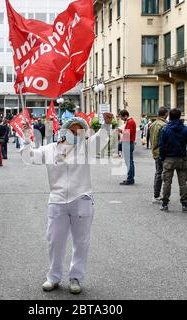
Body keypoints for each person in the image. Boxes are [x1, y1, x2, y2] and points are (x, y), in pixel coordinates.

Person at [21, 113, 114, 295]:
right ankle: (53, 277)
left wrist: (107, 125)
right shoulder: (50, 150)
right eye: (73, 130)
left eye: (80, 131)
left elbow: (101, 139)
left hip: (82, 199)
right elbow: (29, 157)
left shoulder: (85, 148)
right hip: (57, 201)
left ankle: (76, 278)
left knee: (81, 242)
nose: (77, 134)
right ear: (64, 131)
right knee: (54, 241)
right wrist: (26, 136)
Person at [159, 108, 187, 213]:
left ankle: (165, 204)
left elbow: (161, 146)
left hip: (169, 158)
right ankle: (184, 204)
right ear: (180, 117)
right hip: (182, 158)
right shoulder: (185, 129)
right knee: (183, 183)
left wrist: (162, 157)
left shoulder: (165, 129)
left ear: (169, 117)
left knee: (167, 182)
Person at [148, 107, 168, 203]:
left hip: (155, 152)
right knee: (165, 174)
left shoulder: (152, 124)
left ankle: (156, 194)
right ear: (165, 114)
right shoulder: (164, 125)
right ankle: (162, 195)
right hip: (163, 153)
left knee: (158, 173)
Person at [118, 110, 137, 185]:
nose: (121, 119)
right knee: (129, 161)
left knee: (129, 162)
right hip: (128, 143)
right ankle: (130, 178)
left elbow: (128, 134)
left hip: (128, 143)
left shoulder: (130, 122)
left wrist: (120, 131)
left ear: (125, 116)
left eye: (121, 117)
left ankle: (130, 179)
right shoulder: (130, 121)